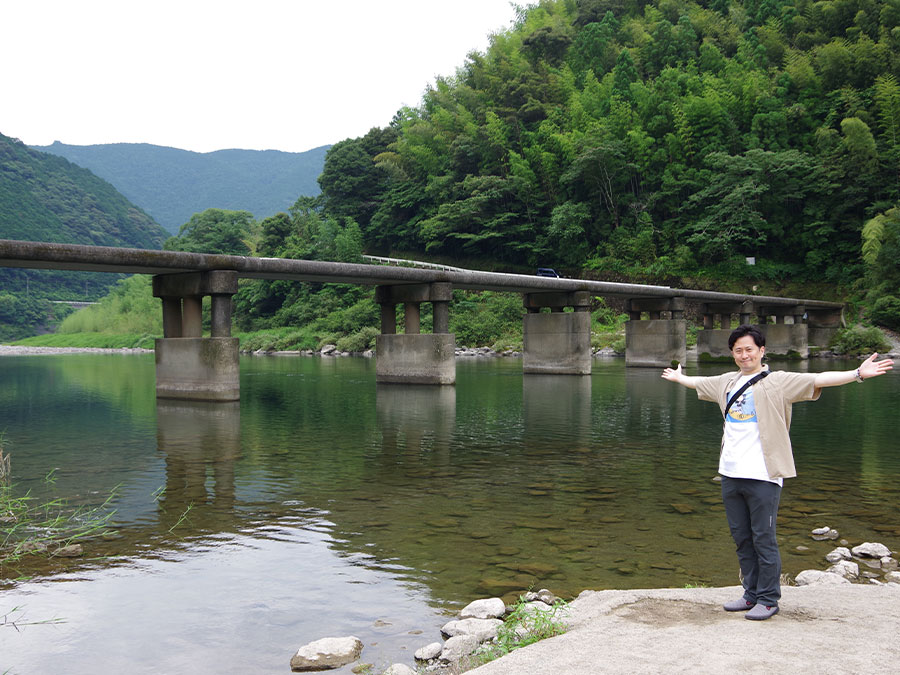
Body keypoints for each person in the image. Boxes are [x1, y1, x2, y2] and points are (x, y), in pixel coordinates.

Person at [661, 325, 894, 620]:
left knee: (763, 538)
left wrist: (857, 374)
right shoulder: (726, 382)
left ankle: (769, 599)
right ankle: (750, 594)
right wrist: (679, 377)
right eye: (738, 350)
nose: (744, 355)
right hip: (730, 473)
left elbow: (818, 378)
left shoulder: (779, 382)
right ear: (732, 354)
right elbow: (700, 382)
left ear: (762, 351)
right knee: (742, 538)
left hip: (764, 475)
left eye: (749, 349)